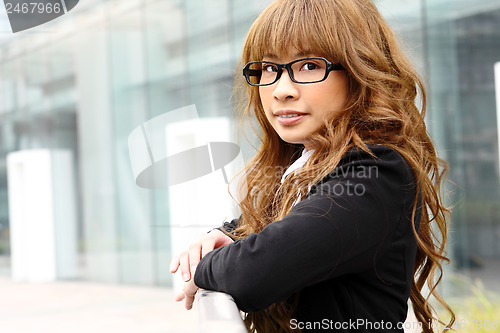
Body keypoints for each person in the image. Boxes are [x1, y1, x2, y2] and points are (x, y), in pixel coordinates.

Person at [170, 0, 455, 332]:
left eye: (308, 66)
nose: (282, 90)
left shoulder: (377, 172)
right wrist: (225, 234)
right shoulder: (307, 163)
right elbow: (284, 227)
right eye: (269, 68)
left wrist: (205, 265)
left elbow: (255, 272)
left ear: (359, 71)